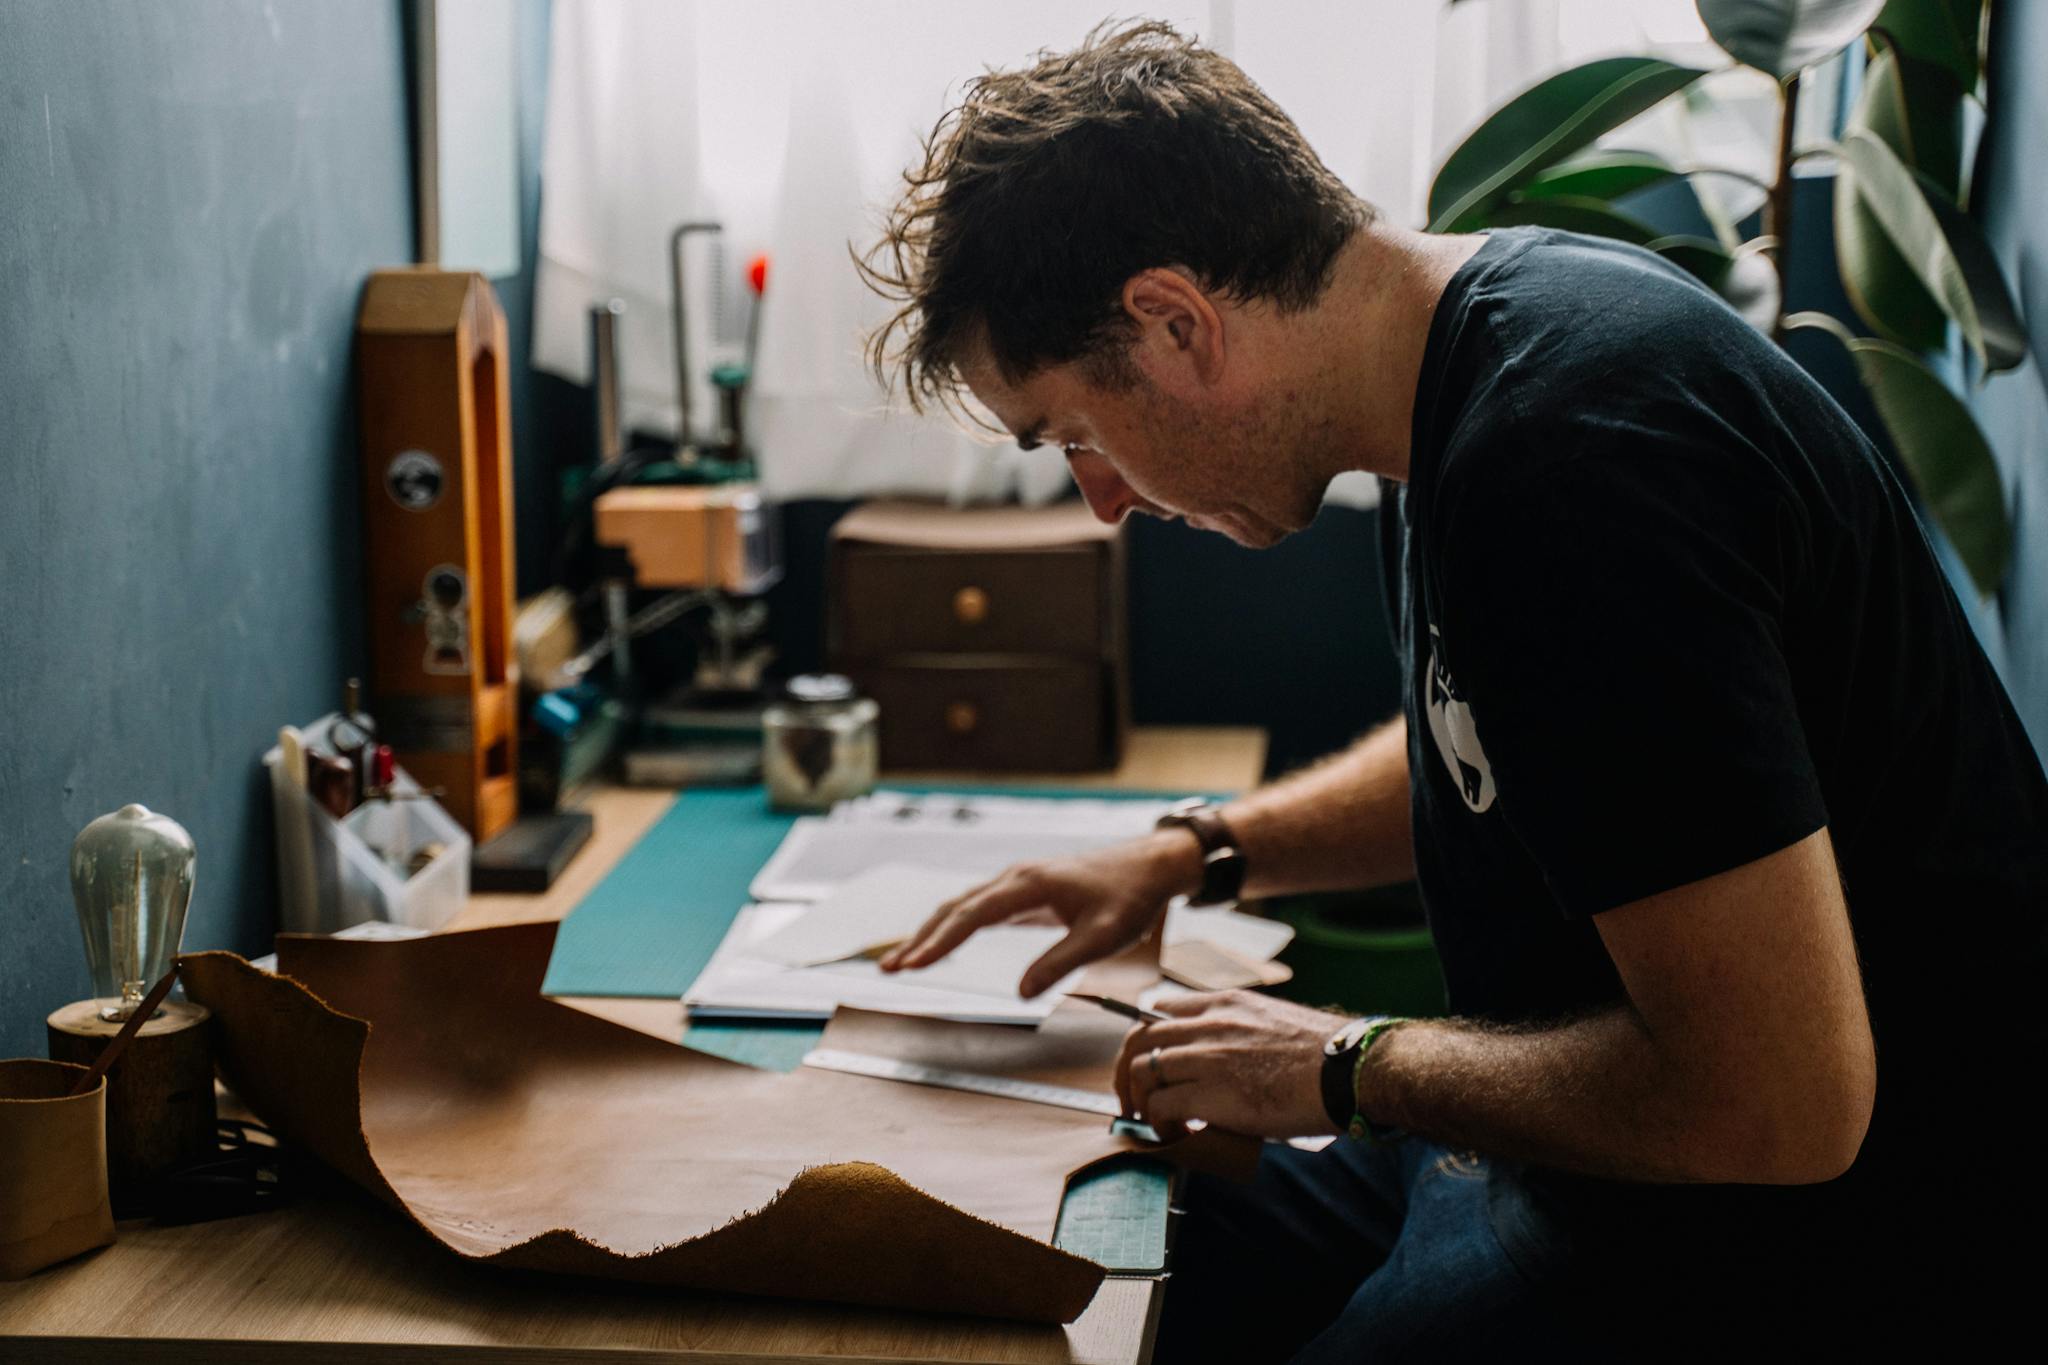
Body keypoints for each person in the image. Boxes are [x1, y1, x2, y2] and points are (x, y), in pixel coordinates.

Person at [859, 20, 2048, 1361]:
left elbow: (1781, 1103)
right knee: (1119, 1208)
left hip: (1814, 1238)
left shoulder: (1572, 467)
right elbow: (1503, 738)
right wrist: (1196, 850)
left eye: (1079, 432)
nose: (1103, 501)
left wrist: (1342, 1063)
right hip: (1581, 1150)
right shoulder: (1463, 360)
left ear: (1175, 321)